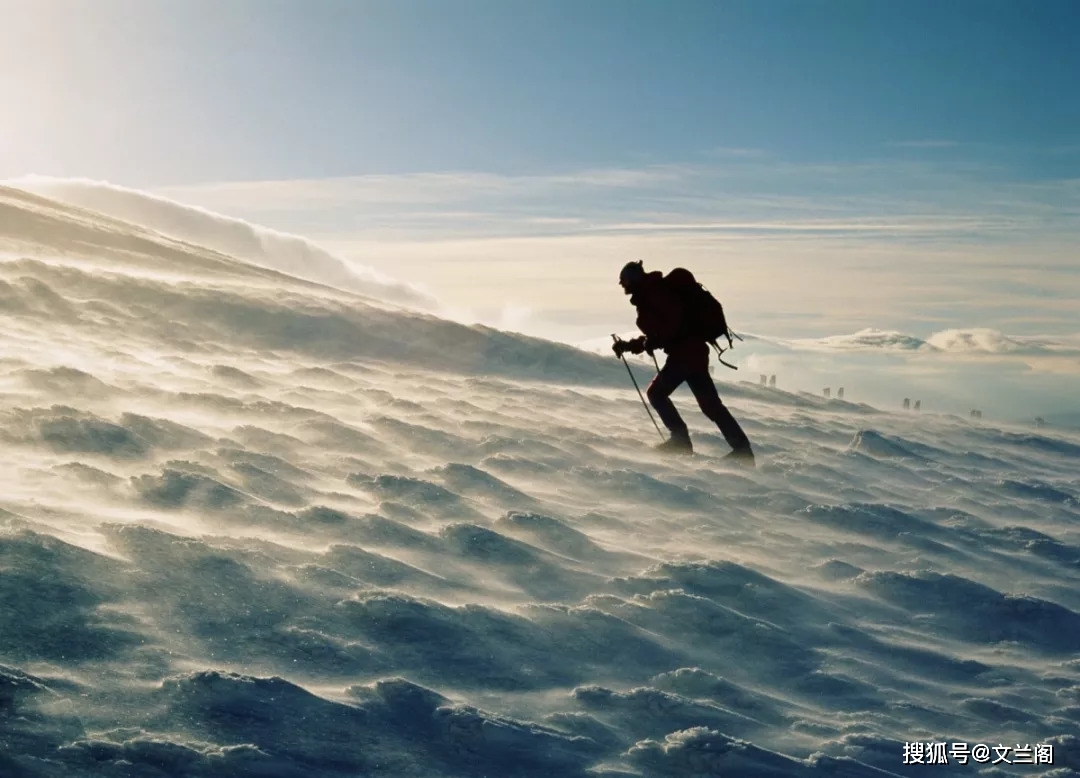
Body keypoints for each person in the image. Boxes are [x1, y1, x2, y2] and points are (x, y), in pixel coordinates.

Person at [613, 260, 754, 463]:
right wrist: (629, 345)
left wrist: (656, 340)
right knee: (710, 405)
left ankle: (680, 440)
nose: (622, 285)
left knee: (656, 393)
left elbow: (672, 323)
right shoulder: (650, 294)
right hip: (693, 352)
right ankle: (742, 450)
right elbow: (659, 332)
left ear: (633, 279)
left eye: (624, 280)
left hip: (685, 354)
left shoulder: (654, 293)